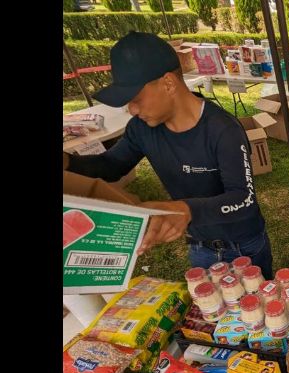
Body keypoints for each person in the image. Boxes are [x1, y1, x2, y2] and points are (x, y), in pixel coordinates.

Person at [63, 32, 273, 277]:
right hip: (200, 246)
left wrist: (186, 209)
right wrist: (67, 161)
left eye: (136, 98)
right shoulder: (141, 130)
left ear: (168, 83)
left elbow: (243, 200)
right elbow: (111, 166)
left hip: (242, 247)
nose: (132, 109)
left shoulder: (223, 130)